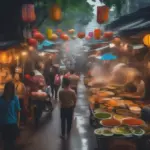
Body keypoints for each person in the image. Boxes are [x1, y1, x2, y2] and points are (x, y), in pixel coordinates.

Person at [0, 81, 21, 150]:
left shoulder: (15, 98)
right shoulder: (1, 99)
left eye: (11, 88)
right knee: (5, 143)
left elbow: (18, 111)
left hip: (12, 124)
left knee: (12, 144)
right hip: (3, 123)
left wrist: (18, 123)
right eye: (8, 88)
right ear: (5, 88)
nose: (9, 89)